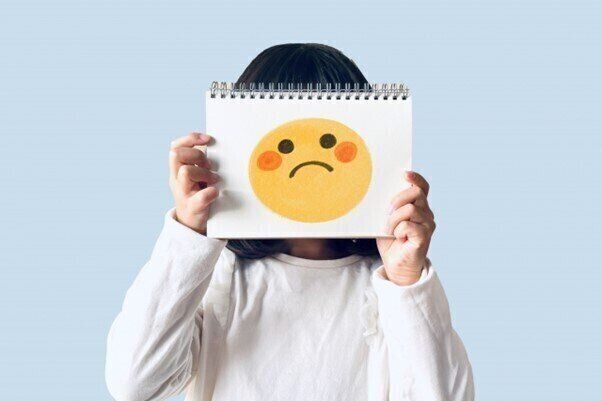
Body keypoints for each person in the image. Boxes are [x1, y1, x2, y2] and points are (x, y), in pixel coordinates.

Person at [105, 43, 474, 401]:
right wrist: (189, 234)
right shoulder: (219, 277)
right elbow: (135, 383)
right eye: (286, 145)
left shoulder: (388, 287)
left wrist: (406, 281)